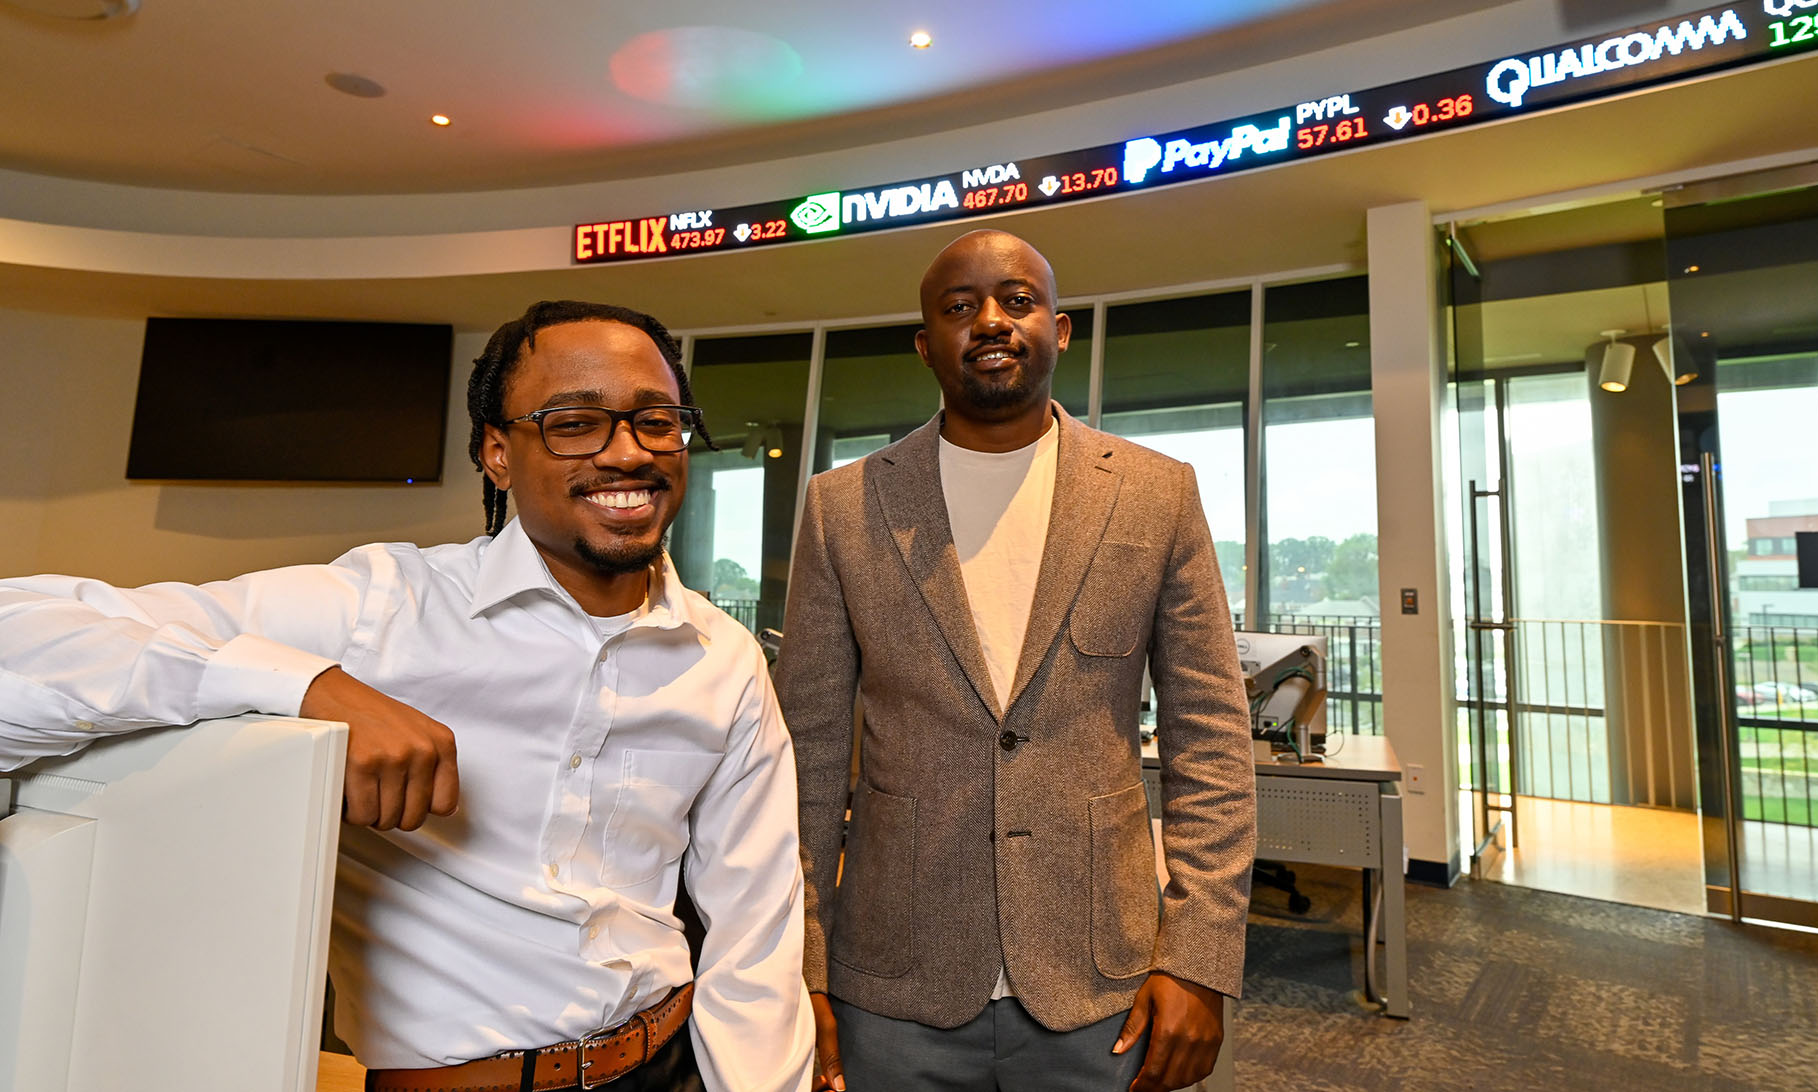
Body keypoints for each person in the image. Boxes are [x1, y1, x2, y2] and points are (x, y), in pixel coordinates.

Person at [0, 301, 813, 1092]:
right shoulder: (380, 608)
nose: (628, 452)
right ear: (497, 453)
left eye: (656, 420)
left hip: (670, 1062)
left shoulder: (726, 658)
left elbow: (755, 930)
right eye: (574, 423)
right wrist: (309, 685)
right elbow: (19, 631)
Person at [774, 231, 1256, 1092]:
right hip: (892, 982)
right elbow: (804, 759)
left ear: (1059, 331)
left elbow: (1212, 741)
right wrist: (801, 970)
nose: (990, 320)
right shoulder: (843, 506)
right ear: (927, 346)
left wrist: (1200, 960)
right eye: (959, 308)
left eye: (1017, 300)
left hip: (1105, 979)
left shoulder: (1157, 491)